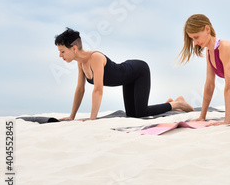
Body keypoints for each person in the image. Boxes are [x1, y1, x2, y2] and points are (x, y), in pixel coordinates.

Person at [55, 28, 193, 120]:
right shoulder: (80, 63)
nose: (60, 55)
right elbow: (80, 89)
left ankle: (177, 104)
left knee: (141, 113)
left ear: (73, 48)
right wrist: (72, 116)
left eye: (62, 51)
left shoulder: (95, 58)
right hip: (127, 79)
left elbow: (98, 90)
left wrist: (92, 119)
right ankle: (169, 103)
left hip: (139, 71)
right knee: (132, 115)